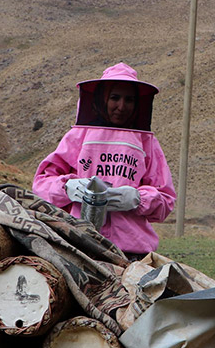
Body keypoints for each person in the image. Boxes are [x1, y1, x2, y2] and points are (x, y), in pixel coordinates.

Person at [33, 62, 176, 258]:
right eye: (115, 98)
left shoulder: (146, 141)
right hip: (79, 244)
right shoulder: (78, 136)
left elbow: (166, 201)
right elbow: (41, 183)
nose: (121, 106)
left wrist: (137, 198)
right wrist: (68, 188)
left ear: (137, 104)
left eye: (129, 100)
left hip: (131, 252)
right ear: (102, 99)